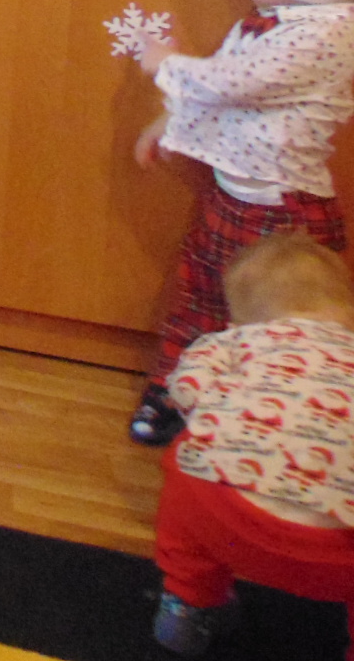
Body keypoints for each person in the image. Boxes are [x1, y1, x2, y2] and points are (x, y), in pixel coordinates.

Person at [131, 0, 354, 447]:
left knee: (279, 317)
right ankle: (177, 388)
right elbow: (227, 97)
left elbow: (233, 83)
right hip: (234, 197)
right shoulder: (271, 21)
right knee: (200, 295)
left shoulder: (328, 33)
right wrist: (170, 124)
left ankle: (267, 411)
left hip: (283, 210)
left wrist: (164, 63)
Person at [153, 233, 354, 655]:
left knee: (189, 454)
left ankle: (187, 606)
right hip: (337, 557)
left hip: (222, 521)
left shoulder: (232, 343)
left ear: (238, 321)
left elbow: (186, 389)